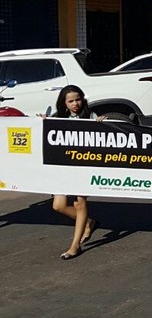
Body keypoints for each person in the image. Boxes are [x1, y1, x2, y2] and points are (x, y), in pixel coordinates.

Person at [49, 85, 102, 260]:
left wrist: (102, 125)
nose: (75, 104)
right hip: (64, 168)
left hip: (83, 166)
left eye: (77, 99)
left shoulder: (90, 116)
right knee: (58, 205)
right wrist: (42, 122)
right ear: (64, 103)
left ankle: (75, 246)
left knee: (80, 204)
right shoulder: (57, 118)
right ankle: (88, 222)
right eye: (70, 101)